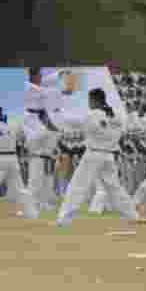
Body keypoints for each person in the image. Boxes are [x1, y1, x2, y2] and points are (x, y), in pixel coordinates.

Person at [53, 89, 138, 227]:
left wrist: (58, 111)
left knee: (78, 186)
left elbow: (73, 121)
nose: (89, 103)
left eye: (90, 100)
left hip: (93, 155)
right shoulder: (116, 117)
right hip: (108, 156)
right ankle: (132, 215)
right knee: (115, 188)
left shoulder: (93, 115)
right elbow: (120, 132)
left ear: (94, 100)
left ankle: (64, 218)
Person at [23, 67, 67, 212]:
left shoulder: (36, 85)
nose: (41, 79)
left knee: (46, 161)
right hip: (34, 123)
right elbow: (45, 91)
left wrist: (59, 74)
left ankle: (44, 202)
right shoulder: (30, 88)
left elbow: (46, 82)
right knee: (36, 173)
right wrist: (60, 91)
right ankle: (31, 204)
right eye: (39, 76)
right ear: (33, 76)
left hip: (41, 122)